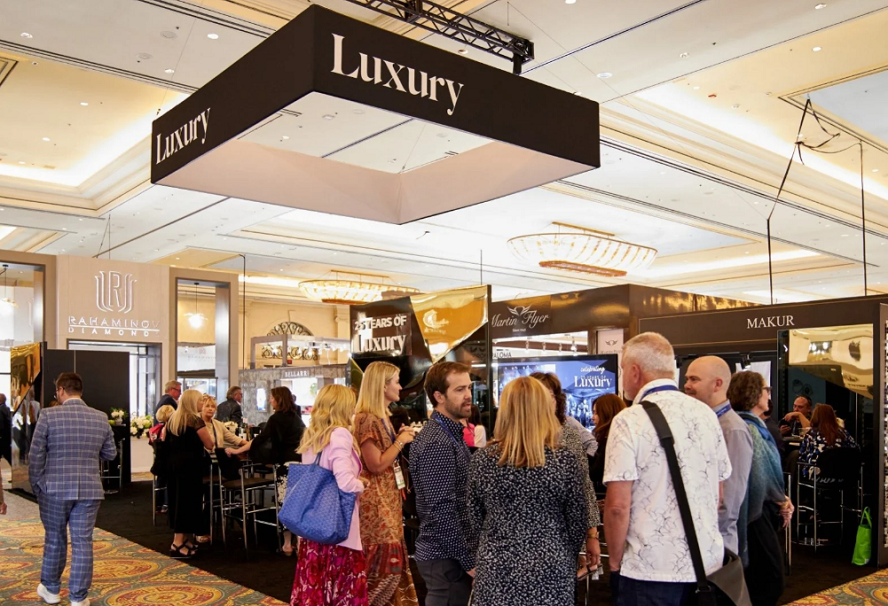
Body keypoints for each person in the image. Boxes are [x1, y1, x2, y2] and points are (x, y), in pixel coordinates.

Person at [604, 333, 731, 606]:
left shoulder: (628, 420)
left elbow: (617, 507)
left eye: (623, 370)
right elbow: (719, 495)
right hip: (706, 565)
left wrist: (614, 563)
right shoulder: (707, 415)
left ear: (635, 372)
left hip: (649, 569)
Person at [467, 376, 587, 606]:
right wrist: (559, 550)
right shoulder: (563, 461)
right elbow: (576, 521)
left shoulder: (482, 460)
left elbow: (473, 518)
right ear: (544, 409)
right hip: (552, 566)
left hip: (497, 566)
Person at [28, 372, 117, 606]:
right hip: (89, 489)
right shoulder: (100, 417)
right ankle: (79, 597)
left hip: (53, 489)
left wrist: (36, 484)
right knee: (82, 542)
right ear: (80, 390)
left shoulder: (48, 415)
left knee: (55, 539)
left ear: (60, 390)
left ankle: (51, 589)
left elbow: (36, 455)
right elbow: (110, 453)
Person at [290, 385, 368, 606]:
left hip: (313, 526)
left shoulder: (312, 435)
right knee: (343, 590)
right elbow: (345, 482)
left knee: (317, 589)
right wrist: (362, 484)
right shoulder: (340, 434)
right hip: (337, 527)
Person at [410, 362, 476, 606]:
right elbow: (441, 511)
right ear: (439, 396)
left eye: (468, 387)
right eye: (459, 389)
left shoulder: (448, 433)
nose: (468, 395)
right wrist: (468, 561)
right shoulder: (437, 442)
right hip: (445, 557)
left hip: (450, 555)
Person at [353, 361, 418, 606]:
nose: (400, 387)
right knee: (382, 570)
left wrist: (398, 438)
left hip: (386, 501)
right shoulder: (368, 419)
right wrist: (400, 442)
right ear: (382, 385)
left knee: (389, 567)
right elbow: (376, 465)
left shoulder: (381, 418)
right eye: (397, 382)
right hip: (375, 505)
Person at [727, 372, 793, 606]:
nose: (769, 395)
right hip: (754, 513)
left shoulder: (747, 425)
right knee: (769, 581)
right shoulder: (750, 428)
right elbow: (759, 475)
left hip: (754, 509)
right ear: (754, 393)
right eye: (767, 389)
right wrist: (781, 499)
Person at [531, 372, 602, 574]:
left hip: (564, 534)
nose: (547, 402)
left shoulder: (568, 434)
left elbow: (585, 486)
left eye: (551, 396)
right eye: (540, 396)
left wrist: (592, 535)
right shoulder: (512, 436)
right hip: (524, 537)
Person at [684, 356, 753, 556]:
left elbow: (729, 501)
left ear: (717, 384)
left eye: (694, 379)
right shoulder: (701, 422)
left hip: (715, 546)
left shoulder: (732, 430)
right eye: (687, 379)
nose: (687, 385)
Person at [227, 386, 305, 556]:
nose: (270, 400)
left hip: (285, 466)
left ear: (279, 400)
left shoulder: (275, 419)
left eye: (272, 398)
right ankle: (300, 543)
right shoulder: (297, 419)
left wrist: (237, 450)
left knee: (284, 504)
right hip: (300, 465)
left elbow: (259, 440)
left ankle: (286, 545)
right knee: (298, 504)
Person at [164, 389, 215, 559]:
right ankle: (177, 543)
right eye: (200, 401)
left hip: (174, 466)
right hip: (190, 467)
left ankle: (184, 539)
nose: (202, 403)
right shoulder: (195, 420)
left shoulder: (173, 419)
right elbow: (209, 444)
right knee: (188, 503)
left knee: (177, 501)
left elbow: (164, 441)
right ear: (193, 402)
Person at [798, 404, 858, 480]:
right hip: (845, 477)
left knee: (795, 459)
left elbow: (802, 457)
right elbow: (856, 450)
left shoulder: (812, 434)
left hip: (819, 477)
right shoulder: (844, 433)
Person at [588, 393, 626, 492]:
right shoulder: (618, 437)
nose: (592, 417)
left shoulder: (610, 441)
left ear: (607, 414)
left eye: (596, 413)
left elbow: (595, 473)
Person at [0, 393, 11, 466]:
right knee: (8, 455)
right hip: (7, 436)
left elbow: (1, 424)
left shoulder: (0, 409)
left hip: (1, 437)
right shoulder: (7, 409)